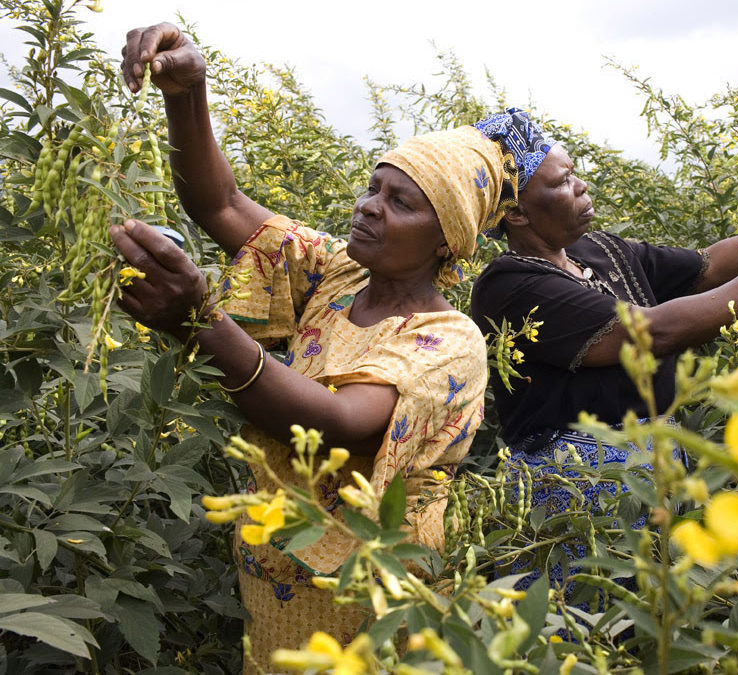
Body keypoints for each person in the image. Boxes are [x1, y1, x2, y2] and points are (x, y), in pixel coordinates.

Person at [115, 24, 513, 672]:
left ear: (447, 240)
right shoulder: (339, 271)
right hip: (273, 583)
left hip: (368, 603)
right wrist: (188, 93)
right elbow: (219, 203)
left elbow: (335, 422)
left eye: (400, 202)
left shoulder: (449, 341)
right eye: (372, 188)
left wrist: (200, 321)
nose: (368, 208)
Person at [470, 109, 738, 584]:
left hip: (654, 475)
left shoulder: (598, 251)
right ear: (516, 212)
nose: (580, 186)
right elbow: (648, 335)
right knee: (588, 634)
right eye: (562, 182)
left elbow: (708, 266)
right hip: (578, 498)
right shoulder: (509, 285)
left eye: (574, 173)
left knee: (659, 622)